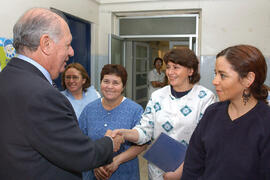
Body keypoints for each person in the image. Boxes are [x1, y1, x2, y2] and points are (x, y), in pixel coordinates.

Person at [0, 8, 123, 180]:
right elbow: (80, 155)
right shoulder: (42, 94)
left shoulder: (7, 78)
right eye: (67, 44)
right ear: (46, 44)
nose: (71, 52)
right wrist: (110, 143)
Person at [112, 47, 216, 180]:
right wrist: (125, 133)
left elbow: (206, 143)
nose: (170, 72)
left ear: (190, 70)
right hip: (157, 172)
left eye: (176, 67)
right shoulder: (157, 96)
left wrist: (181, 172)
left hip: (189, 171)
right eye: (168, 67)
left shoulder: (205, 98)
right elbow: (145, 131)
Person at [182, 45, 270, 180]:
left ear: (248, 79)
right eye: (215, 73)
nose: (215, 81)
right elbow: (193, 165)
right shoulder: (212, 113)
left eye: (222, 75)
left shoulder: (265, 123)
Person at [79, 64, 147, 180]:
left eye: (116, 83)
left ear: (123, 86)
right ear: (100, 83)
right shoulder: (89, 110)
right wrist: (95, 163)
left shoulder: (135, 110)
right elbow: (80, 141)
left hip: (125, 174)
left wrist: (116, 161)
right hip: (92, 174)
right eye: (106, 81)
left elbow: (142, 144)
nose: (110, 86)